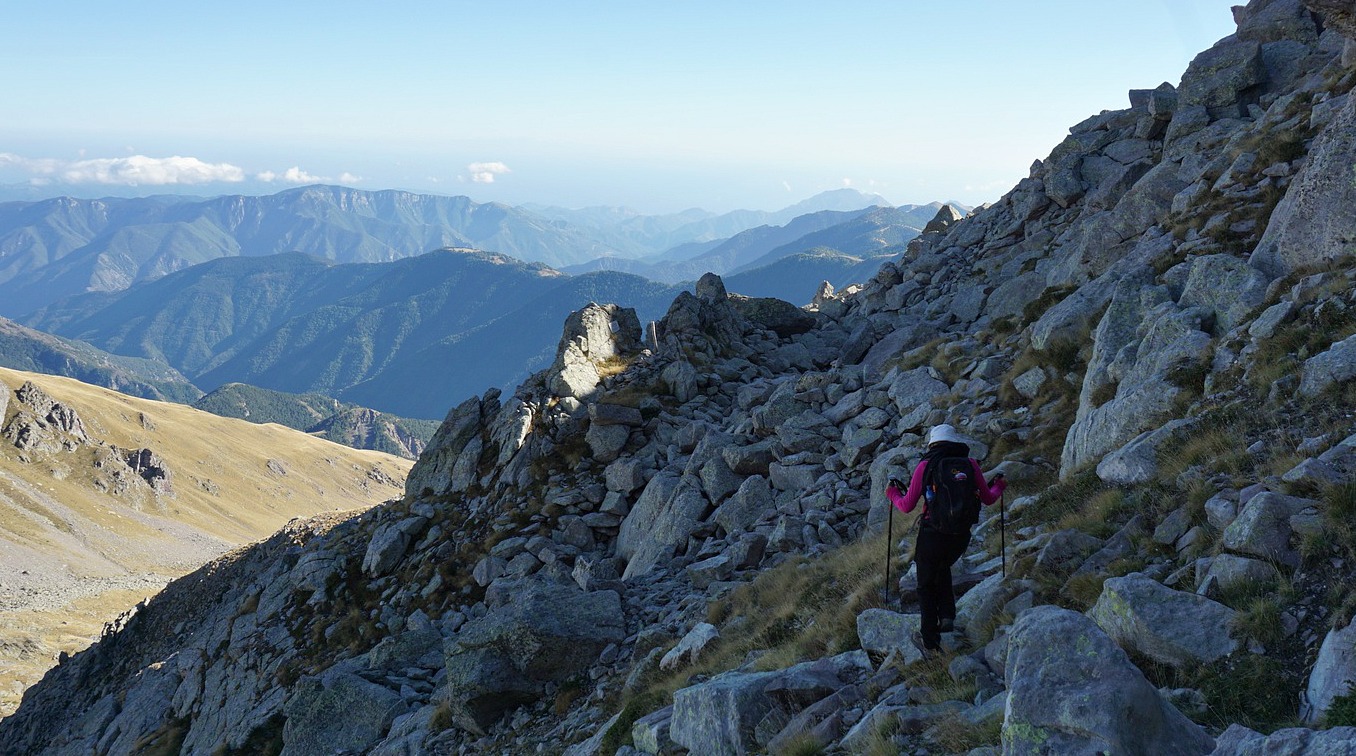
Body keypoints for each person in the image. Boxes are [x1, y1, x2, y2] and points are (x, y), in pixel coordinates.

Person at [885, 423, 1005, 652]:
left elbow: (907, 505)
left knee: (925, 585)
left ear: (933, 443)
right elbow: (989, 498)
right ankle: (948, 617)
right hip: (960, 535)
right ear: (954, 441)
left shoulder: (925, 465)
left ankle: (930, 642)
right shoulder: (969, 464)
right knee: (943, 569)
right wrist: (999, 486)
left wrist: (892, 494)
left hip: (933, 533)